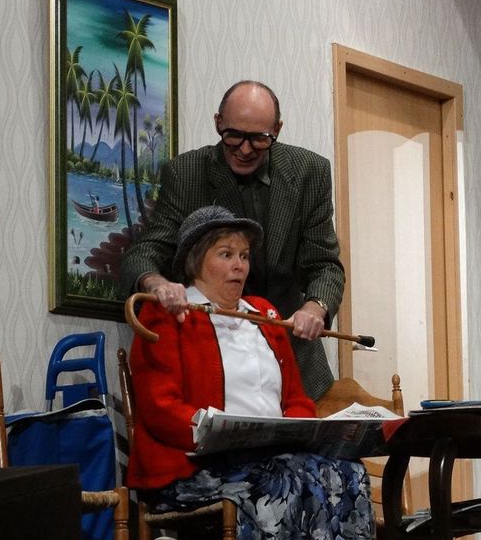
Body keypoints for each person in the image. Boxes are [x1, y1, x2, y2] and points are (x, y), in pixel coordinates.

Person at [127, 205, 382, 540]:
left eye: (243, 255)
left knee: (347, 473)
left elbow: (295, 399)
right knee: (287, 479)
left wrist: (299, 433)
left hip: (267, 456)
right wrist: (210, 430)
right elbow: (159, 406)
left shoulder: (264, 314)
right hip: (195, 466)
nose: (239, 266)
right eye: (225, 254)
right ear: (196, 261)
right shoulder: (168, 313)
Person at [120, 80, 344, 400]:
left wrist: (315, 306)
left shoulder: (310, 172)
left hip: (292, 359)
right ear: (218, 123)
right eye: (233, 136)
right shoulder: (187, 173)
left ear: (277, 130)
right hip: (213, 362)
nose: (245, 149)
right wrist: (156, 283)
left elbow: (325, 264)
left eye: (259, 139)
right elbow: (146, 251)